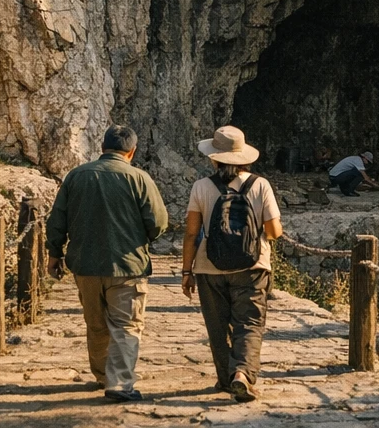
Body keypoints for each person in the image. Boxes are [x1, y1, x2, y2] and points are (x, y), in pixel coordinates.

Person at [47, 125, 168, 403]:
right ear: (132, 152)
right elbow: (158, 222)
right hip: (127, 267)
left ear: (102, 148)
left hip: (85, 265)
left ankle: (102, 375)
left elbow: (57, 220)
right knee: (126, 326)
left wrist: (54, 253)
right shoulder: (139, 178)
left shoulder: (76, 176)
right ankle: (120, 383)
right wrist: (142, 238)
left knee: (96, 323)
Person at [181, 126, 283, 403]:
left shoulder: (201, 187)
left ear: (214, 158)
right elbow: (274, 231)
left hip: (208, 266)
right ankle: (242, 374)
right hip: (252, 267)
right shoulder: (260, 185)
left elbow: (191, 233)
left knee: (217, 325)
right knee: (249, 323)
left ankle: (225, 379)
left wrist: (186, 271)